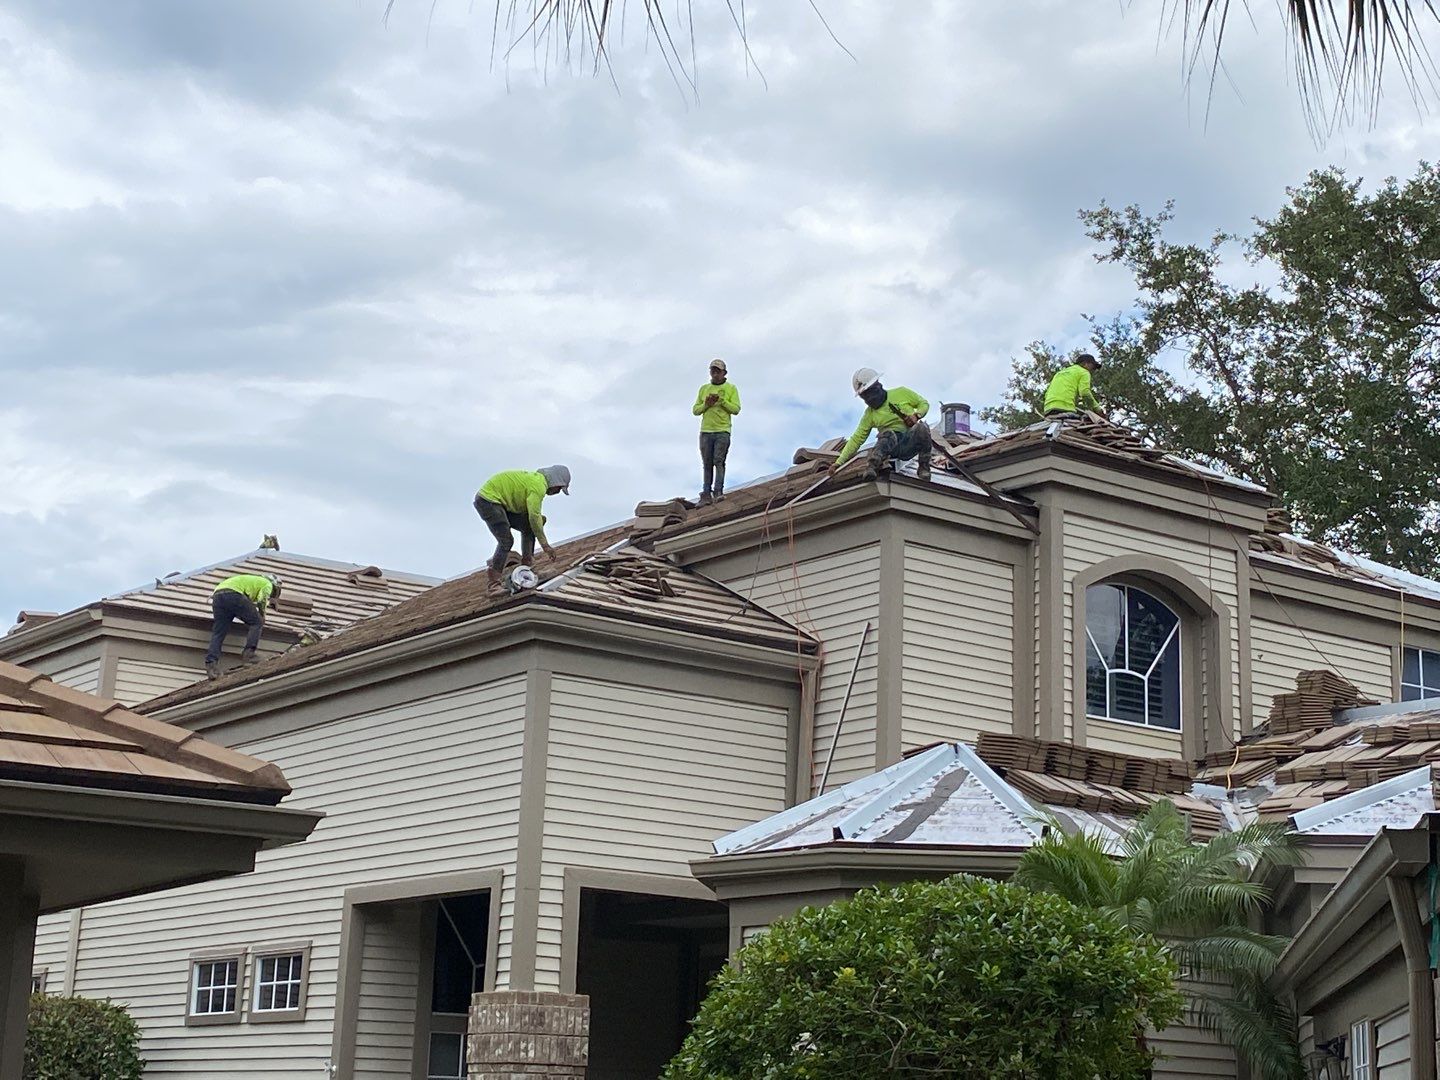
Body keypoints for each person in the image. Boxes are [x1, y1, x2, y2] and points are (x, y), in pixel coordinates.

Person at [474, 465, 571, 592]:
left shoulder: (536, 481)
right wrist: (545, 546)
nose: (557, 492)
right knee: (506, 541)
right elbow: (534, 516)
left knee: (530, 527)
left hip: (500, 504)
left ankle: (527, 569)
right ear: (555, 481)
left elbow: (532, 521)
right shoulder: (538, 486)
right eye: (559, 488)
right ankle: (493, 585)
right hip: (488, 501)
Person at [829, 368, 933, 481]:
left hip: (910, 443)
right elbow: (856, 439)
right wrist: (839, 462)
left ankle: (924, 468)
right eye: (864, 396)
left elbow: (923, 403)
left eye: (869, 393)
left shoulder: (901, 393)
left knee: (922, 428)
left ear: (877, 386)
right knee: (888, 434)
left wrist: (916, 416)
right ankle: (872, 468)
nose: (869, 399)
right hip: (890, 447)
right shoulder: (869, 415)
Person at [205, 573, 281, 680]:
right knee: (257, 622)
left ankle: (211, 664)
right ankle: (249, 655)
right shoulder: (267, 584)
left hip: (218, 595)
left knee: (219, 632)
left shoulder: (252, 581)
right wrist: (262, 614)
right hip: (234, 594)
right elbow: (262, 599)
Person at [692, 358, 741, 504]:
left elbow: (736, 409)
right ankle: (706, 492)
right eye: (713, 370)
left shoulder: (731, 388)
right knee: (707, 463)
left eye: (717, 371)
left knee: (718, 461)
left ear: (724, 373)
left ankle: (718, 490)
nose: (714, 373)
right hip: (706, 431)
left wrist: (722, 401)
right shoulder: (704, 389)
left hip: (722, 430)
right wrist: (707, 404)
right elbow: (695, 410)